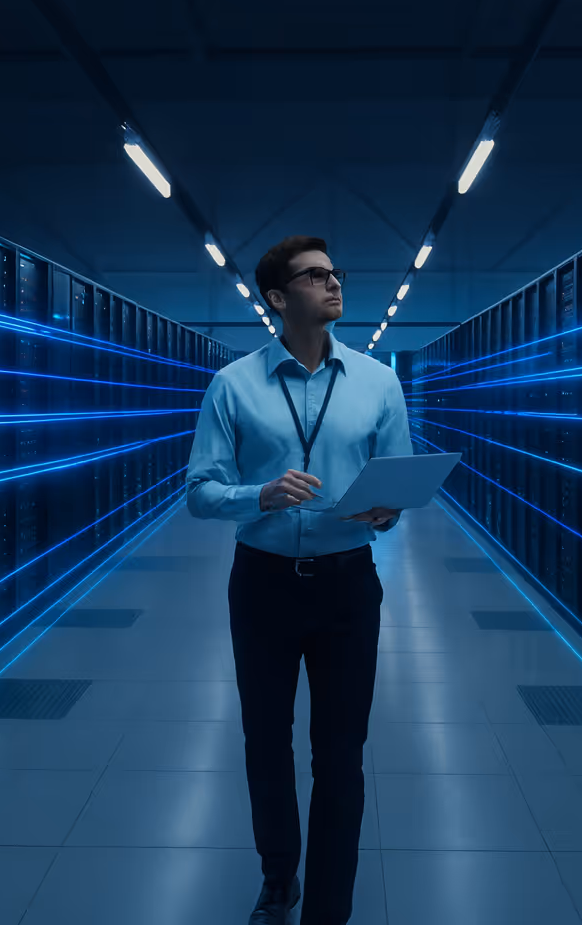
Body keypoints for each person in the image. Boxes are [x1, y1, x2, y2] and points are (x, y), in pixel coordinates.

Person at [186, 235, 411, 925]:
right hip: (264, 585)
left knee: (341, 754)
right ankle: (279, 878)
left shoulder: (378, 382)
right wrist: (258, 495)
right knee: (266, 741)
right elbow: (200, 491)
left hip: (348, 586)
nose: (334, 283)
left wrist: (387, 509)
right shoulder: (233, 386)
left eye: (334, 272)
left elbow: (398, 482)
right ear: (279, 299)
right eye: (315, 276)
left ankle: (330, 908)